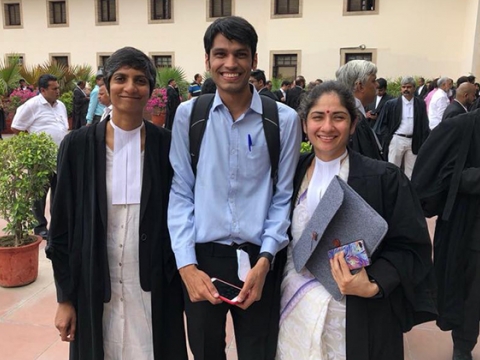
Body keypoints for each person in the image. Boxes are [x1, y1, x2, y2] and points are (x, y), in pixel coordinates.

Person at [168, 16, 301, 360]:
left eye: (240, 54)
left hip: (259, 261)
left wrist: (266, 259)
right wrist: (186, 266)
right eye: (220, 54)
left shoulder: (282, 120)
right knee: (206, 352)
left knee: (259, 352)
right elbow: (181, 191)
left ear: (254, 61)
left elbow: (283, 195)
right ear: (208, 60)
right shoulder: (188, 116)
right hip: (202, 260)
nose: (230, 64)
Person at [46, 46, 188, 360]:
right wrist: (65, 298)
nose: (130, 87)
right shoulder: (77, 146)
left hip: (153, 288)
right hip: (95, 284)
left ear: (150, 90)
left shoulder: (166, 146)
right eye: (120, 78)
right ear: (107, 86)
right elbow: (61, 229)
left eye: (140, 80)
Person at [277, 81, 436, 360]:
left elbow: (412, 247)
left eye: (338, 117)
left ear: (353, 125)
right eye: (318, 117)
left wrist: (373, 283)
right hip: (293, 314)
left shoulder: (384, 179)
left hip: (356, 317)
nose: (327, 127)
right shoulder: (289, 173)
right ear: (304, 124)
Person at [411, 109, 480, 360]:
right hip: (471, 228)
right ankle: (463, 345)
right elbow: (440, 177)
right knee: (471, 294)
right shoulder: (462, 127)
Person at [11, 74, 69, 239]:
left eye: (58, 87)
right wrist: (32, 146)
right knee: (39, 195)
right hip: (41, 159)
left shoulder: (61, 106)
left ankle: (57, 225)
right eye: (54, 88)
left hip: (60, 157)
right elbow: (16, 127)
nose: (58, 91)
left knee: (59, 194)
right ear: (43, 90)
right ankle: (39, 226)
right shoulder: (32, 105)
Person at [374, 76, 430, 179]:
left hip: (414, 141)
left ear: (414, 88)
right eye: (403, 87)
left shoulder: (420, 104)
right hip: (397, 139)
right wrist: (389, 138)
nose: (406, 89)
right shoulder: (391, 104)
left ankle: (407, 192)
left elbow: (424, 124)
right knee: (392, 169)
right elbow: (382, 124)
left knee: (411, 171)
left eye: (408, 87)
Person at [336, 60, 384, 160]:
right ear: (360, 86)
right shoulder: (353, 119)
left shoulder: (354, 114)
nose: (377, 85)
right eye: (373, 80)